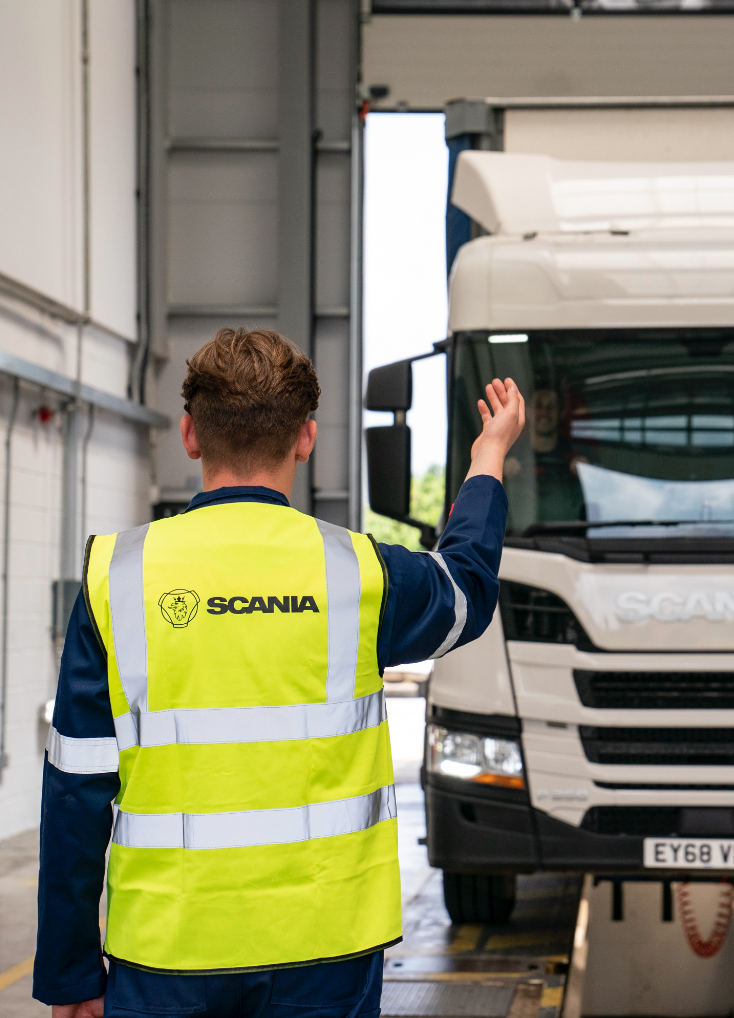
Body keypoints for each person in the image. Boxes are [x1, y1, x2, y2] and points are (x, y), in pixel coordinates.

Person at [33, 328, 525, 1018]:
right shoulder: (360, 574)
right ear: (306, 438)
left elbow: (75, 793)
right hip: (327, 948)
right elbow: (466, 588)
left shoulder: (114, 576)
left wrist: (71, 974)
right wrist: (488, 457)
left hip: (168, 952)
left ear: (190, 436)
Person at [503, 388, 585, 523]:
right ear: (528, 411)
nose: (544, 412)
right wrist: (501, 472)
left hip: (568, 530)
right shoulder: (508, 454)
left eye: (551, 407)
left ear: (562, 413)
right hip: (519, 532)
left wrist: (585, 472)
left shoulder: (577, 454)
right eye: (538, 406)